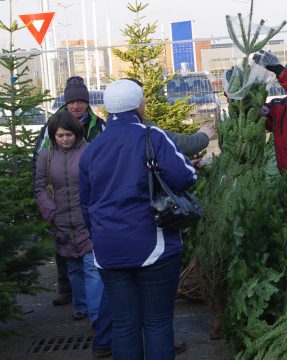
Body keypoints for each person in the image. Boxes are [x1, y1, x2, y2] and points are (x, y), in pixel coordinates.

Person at [79, 78, 197, 360]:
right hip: (153, 246)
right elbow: (185, 176)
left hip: (107, 249)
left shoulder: (91, 149)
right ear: (139, 104)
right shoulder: (152, 136)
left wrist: (100, 235)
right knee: (156, 323)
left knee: (123, 324)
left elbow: (85, 203)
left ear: (108, 110)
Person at [33, 111, 112, 358]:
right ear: (54, 136)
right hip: (60, 220)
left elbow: (101, 181)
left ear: (76, 133)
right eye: (60, 135)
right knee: (73, 267)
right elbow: (39, 186)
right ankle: (81, 306)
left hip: (86, 218)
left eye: (68, 134)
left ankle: (97, 316)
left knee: (91, 266)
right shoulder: (45, 157)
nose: (64, 139)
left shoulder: (89, 151)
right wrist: (49, 210)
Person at [33, 76, 106, 307]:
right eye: (72, 101)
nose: (76, 106)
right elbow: (40, 162)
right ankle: (69, 293)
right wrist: (48, 207)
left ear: (86, 102)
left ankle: (95, 306)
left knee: (90, 259)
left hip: (85, 206)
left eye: (80, 101)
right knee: (66, 254)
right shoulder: (51, 127)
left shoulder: (98, 126)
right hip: (61, 206)